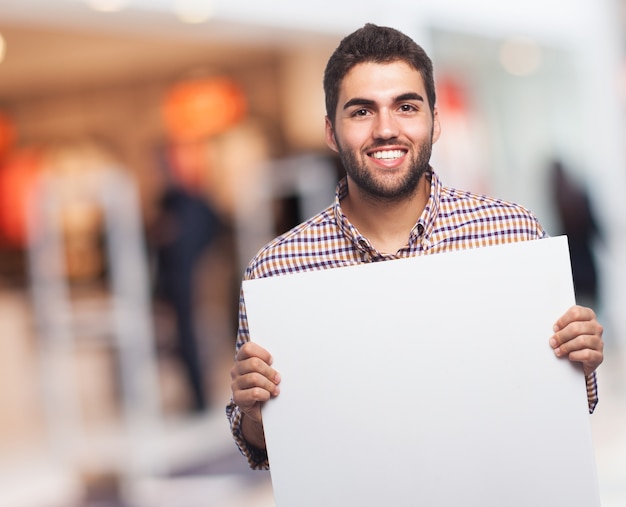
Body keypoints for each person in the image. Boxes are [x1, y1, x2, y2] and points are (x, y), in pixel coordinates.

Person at [226, 23, 604, 470]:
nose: (386, 129)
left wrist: (579, 361)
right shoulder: (277, 270)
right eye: (362, 111)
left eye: (406, 106)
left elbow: (565, 406)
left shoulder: (512, 234)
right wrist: (252, 411)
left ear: (435, 121)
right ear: (331, 132)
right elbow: (261, 444)